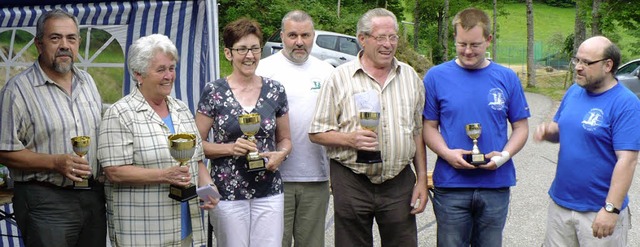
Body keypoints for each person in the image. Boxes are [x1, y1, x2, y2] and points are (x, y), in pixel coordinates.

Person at [308, 8, 427, 247]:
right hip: (351, 180)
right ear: (362, 39)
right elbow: (317, 132)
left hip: (398, 181)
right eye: (381, 37)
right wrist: (350, 140)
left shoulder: (410, 77)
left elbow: (417, 132)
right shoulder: (339, 77)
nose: (388, 44)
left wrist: (422, 180)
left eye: (393, 37)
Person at [422, 7, 530, 246]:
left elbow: (521, 128)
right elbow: (428, 126)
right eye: (462, 44)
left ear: (489, 40)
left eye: (475, 45)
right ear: (454, 39)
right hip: (451, 185)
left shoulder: (507, 77)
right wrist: (448, 154)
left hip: (495, 184)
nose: (468, 51)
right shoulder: (435, 77)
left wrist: (503, 156)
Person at [97, 34, 218, 247]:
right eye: (161, 69)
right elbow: (113, 171)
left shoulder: (180, 109)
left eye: (171, 68)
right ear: (138, 74)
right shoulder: (120, 113)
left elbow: (197, 160)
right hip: (144, 232)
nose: (168, 76)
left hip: (186, 228)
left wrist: (208, 187)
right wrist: (163, 175)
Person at [0, 9, 106, 247]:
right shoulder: (17, 91)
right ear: (39, 44)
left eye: (71, 38)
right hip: (45, 201)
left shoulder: (87, 82)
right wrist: (54, 162)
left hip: (93, 198)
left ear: (78, 42)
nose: (64, 45)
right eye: (55, 38)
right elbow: (3, 150)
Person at [534, 36, 640, 246]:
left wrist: (611, 209)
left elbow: (627, 161)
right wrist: (549, 131)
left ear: (608, 65)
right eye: (577, 60)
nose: (578, 68)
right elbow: (563, 129)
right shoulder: (574, 91)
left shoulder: (626, 104)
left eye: (586, 63)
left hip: (598, 210)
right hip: (561, 205)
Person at [195, 18, 292, 247]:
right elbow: (196, 145)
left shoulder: (275, 90)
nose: (250, 56)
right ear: (228, 53)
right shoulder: (214, 91)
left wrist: (281, 154)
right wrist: (230, 148)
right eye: (242, 49)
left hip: (269, 189)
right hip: (227, 192)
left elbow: (285, 139)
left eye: (255, 48)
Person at [255, 10, 334, 247]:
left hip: (316, 177)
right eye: (292, 35)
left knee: (311, 243)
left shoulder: (328, 72)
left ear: (313, 36)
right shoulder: (263, 70)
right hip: (272, 176)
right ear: (281, 36)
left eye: (305, 35)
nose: (299, 42)